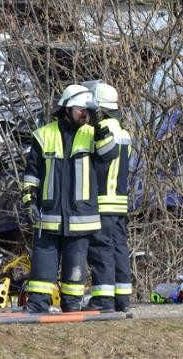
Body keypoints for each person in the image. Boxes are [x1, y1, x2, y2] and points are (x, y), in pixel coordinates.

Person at [21, 84, 116, 313]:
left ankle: (72, 305)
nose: (85, 114)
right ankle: (37, 304)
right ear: (66, 108)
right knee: (44, 262)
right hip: (49, 213)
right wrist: (29, 200)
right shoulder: (44, 134)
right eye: (81, 110)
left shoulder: (94, 135)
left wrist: (99, 127)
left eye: (88, 110)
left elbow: (110, 155)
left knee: (76, 264)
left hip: (81, 216)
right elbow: (32, 172)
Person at [82, 81, 134, 312]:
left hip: (102, 202)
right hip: (120, 204)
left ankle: (103, 300)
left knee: (101, 250)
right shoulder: (124, 133)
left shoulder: (99, 132)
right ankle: (122, 300)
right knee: (119, 248)